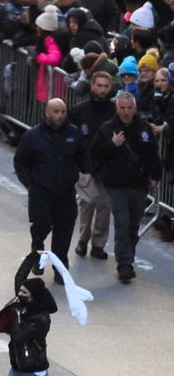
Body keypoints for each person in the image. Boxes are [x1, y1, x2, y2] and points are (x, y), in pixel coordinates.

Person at [90, 91, 164, 282]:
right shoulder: (108, 129)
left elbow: (153, 154)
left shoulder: (144, 128)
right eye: (122, 108)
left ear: (135, 108)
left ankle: (127, 257)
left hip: (139, 185)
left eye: (129, 108)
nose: (126, 112)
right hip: (116, 185)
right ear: (117, 108)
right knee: (122, 222)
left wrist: (156, 175)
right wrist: (112, 144)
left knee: (133, 225)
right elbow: (95, 153)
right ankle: (125, 264)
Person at [13, 98, 91, 278]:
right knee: (41, 226)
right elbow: (21, 161)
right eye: (56, 112)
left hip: (65, 192)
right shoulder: (33, 136)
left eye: (63, 112)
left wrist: (86, 171)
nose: (60, 116)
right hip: (41, 191)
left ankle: (60, 269)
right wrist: (29, 184)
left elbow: (82, 156)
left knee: (64, 230)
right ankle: (37, 254)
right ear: (47, 113)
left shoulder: (74, 133)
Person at [67, 71, 115, 260]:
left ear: (110, 88)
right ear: (92, 86)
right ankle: (82, 240)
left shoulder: (114, 111)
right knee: (87, 204)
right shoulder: (79, 111)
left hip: (108, 166)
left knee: (105, 206)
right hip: (85, 166)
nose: (102, 90)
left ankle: (98, 244)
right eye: (99, 85)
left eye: (105, 86)